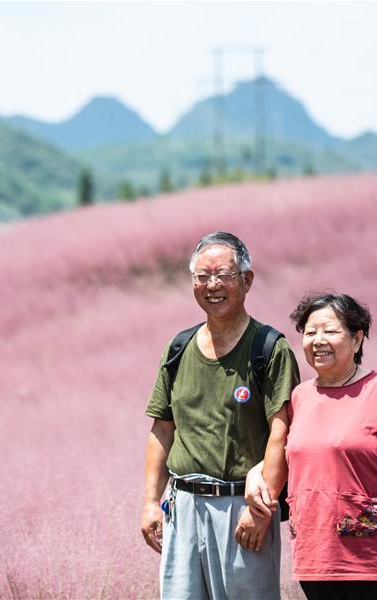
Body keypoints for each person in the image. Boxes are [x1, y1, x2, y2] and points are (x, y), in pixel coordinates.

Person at [245, 292, 377, 600]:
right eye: (310, 332)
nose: (318, 340)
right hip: (315, 559)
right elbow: (297, 453)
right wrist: (255, 473)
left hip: (372, 563)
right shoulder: (301, 396)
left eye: (329, 331)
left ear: (357, 340)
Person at [141, 232, 299, 599]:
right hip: (181, 507)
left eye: (224, 275)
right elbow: (162, 430)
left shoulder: (269, 349)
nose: (212, 285)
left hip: (242, 508)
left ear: (246, 280)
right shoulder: (179, 348)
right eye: (202, 276)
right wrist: (151, 501)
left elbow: (283, 433)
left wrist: (261, 511)